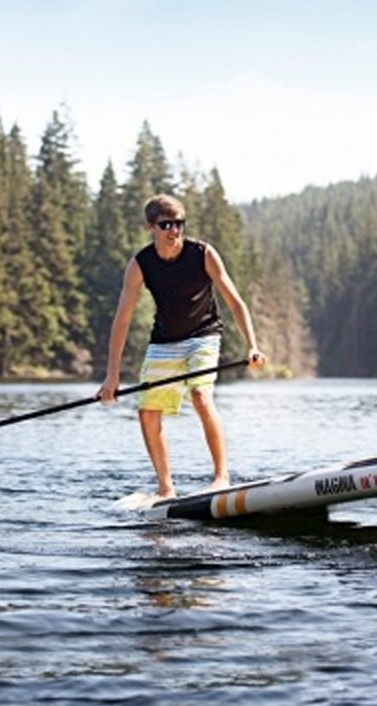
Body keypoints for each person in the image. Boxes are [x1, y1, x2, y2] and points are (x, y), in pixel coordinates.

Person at [97, 194, 267, 498]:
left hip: (204, 334)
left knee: (201, 395)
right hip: (165, 341)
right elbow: (121, 320)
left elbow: (235, 303)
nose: (174, 231)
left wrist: (252, 346)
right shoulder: (140, 265)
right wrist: (112, 376)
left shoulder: (202, 254)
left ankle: (221, 478)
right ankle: (166, 489)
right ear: (151, 227)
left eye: (179, 224)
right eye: (166, 225)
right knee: (148, 411)